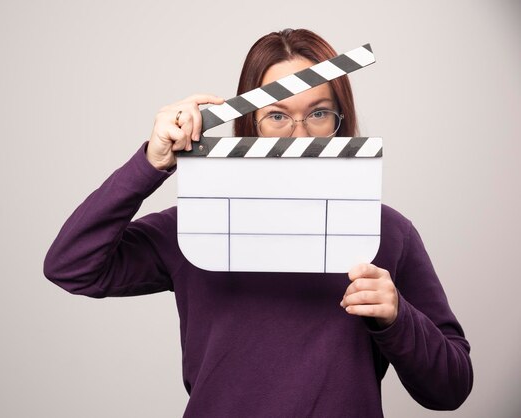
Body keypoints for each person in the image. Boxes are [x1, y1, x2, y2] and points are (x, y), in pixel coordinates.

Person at [43, 28, 473, 417]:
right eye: (278, 115)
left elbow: (450, 387)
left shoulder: (389, 232)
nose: (300, 136)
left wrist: (398, 316)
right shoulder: (196, 224)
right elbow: (71, 265)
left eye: (319, 113)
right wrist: (150, 163)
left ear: (342, 124)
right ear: (251, 123)